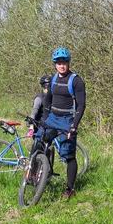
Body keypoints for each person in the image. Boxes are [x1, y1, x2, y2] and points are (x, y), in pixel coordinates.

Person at [37, 47, 86, 199]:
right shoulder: (53, 79)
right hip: (52, 118)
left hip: (67, 121)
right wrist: (44, 119)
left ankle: (70, 189)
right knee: (39, 141)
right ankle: (37, 173)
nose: (62, 65)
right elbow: (47, 100)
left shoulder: (76, 81)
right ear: (55, 64)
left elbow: (81, 105)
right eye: (58, 63)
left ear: (68, 62)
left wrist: (74, 125)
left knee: (68, 155)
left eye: (64, 62)